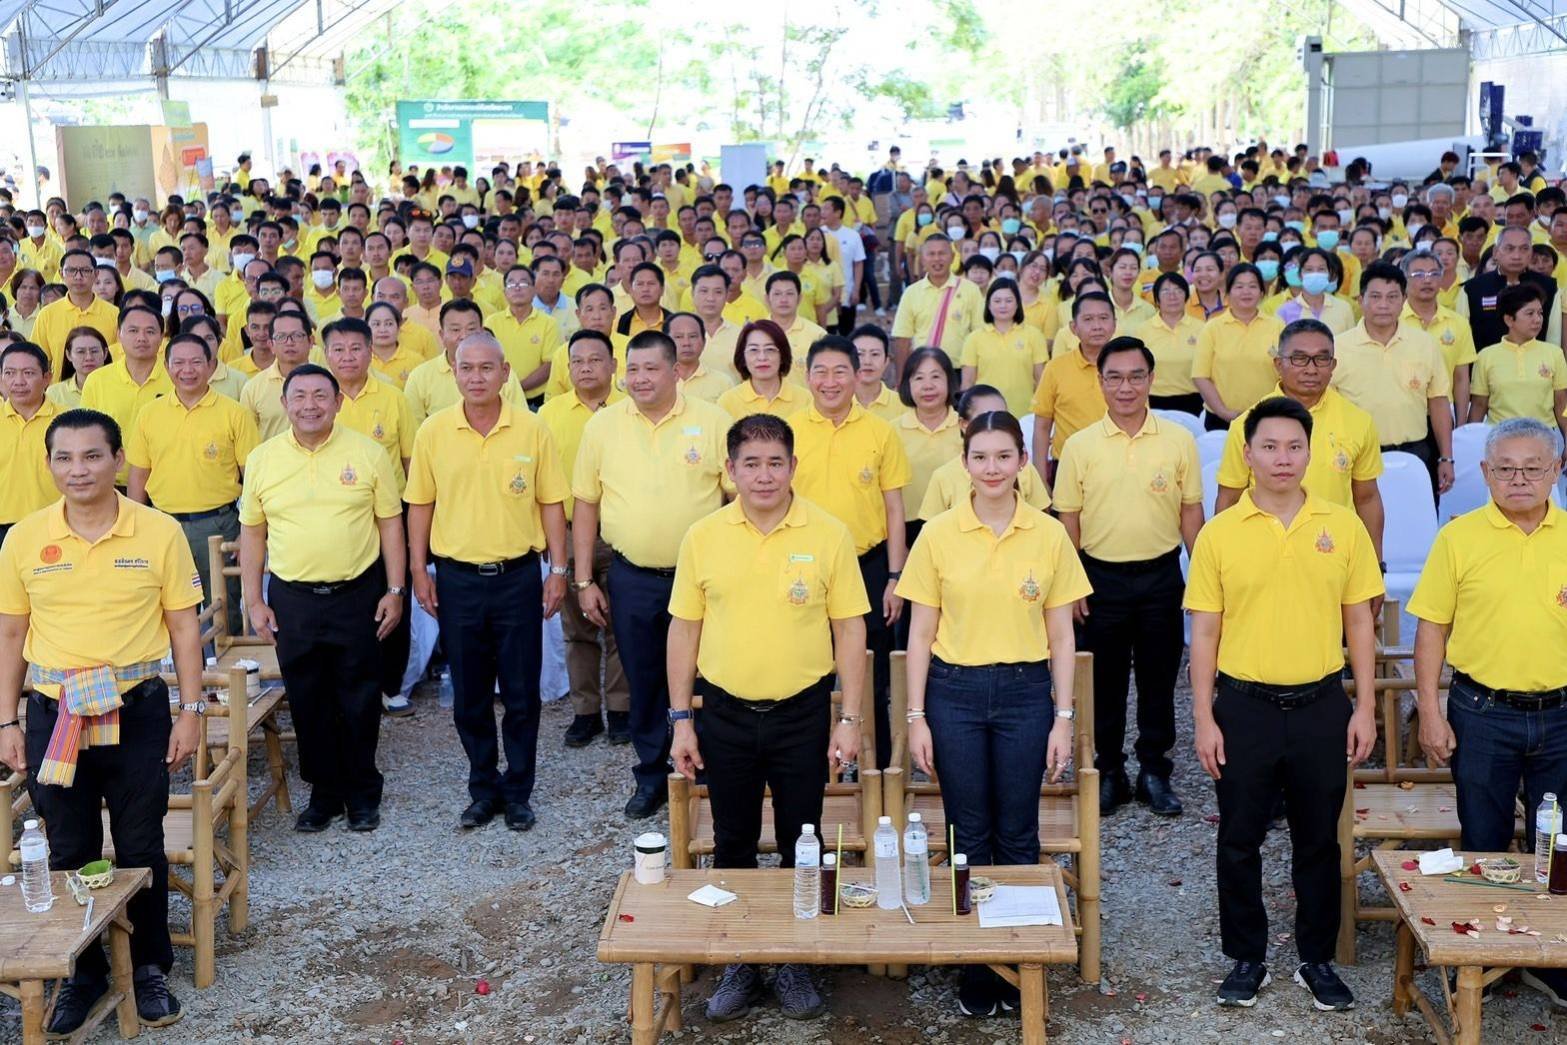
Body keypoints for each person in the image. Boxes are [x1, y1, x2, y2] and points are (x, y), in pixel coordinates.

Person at [0, 408, 204, 1032]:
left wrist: (192, 711)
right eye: (64, 457)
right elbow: (11, 632)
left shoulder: (158, 531)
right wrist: (6, 722)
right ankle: (81, 973)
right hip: (53, 714)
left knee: (141, 842)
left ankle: (148, 968)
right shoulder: (24, 538)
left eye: (92, 456)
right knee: (69, 845)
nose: (78, 469)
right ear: (49, 464)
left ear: (118, 460)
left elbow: (183, 626)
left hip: (135, 708)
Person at [668, 413, 869, 1024]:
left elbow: (850, 627)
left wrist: (850, 717)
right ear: (729, 471)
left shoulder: (830, 533)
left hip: (802, 714)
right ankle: (740, 957)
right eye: (750, 464)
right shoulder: (703, 536)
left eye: (775, 462)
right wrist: (681, 719)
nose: (763, 475)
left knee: (800, 839)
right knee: (731, 839)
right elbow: (684, 629)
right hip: (725, 713)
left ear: (792, 467)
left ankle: (794, 958)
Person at [1185, 396, 1381, 1011]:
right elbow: (1206, 633)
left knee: (1318, 837)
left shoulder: (1342, 526)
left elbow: (1360, 625)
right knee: (1239, 837)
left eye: (1294, 446)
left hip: (1322, 702)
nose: (1282, 458)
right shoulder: (1219, 534)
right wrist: (1202, 718)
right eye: (1268, 446)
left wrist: (1366, 707)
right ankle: (1247, 956)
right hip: (1243, 707)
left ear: (1311, 452)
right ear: (1246, 455)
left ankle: (1316, 958)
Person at [898, 409, 1088, 1017]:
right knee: (967, 830)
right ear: (964, 464)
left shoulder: (1048, 534)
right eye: (979, 457)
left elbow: (1062, 637)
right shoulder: (938, 533)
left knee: (1018, 829)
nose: (991, 468)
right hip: (952, 694)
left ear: (1022, 462)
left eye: (1003, 456)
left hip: (1024, 694)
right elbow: (920, 635)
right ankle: (975, 966)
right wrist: (915, 716)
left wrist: (1063, 717)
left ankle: (1017, 962)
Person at [1409, 416, 1567, 1008]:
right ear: (1485, 473)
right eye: (1505, 468)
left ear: (1557, 470)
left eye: (1533, 467)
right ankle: (1482, 957)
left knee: (1559, 845)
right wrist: (1430, 710)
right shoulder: (1460, 537)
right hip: (1482, 710)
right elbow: (1432, 629)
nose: (1518, 478)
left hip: (1561, 714)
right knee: (1484, 839)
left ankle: (1550, 960)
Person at [406, 332, 568, 831]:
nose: (476, 377)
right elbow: (420, 505)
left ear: (505, 373)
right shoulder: (433, 431)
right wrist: (418, 569)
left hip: (518, 576)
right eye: (466, 368)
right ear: (453, 372)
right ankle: (482, 786)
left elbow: (551, 503)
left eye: (486, 368)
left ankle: (518, 788)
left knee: (521, 691)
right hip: (457, 580)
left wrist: (558, 570)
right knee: (470, 693)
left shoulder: (532, 429)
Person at [239, 363, 406, 833]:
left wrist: (395, 591)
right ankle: (323, 793)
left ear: (337, 402)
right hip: (294, 597)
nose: (310, 405)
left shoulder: (369, 453)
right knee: (308, 698)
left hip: (358, 593)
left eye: (320, 396)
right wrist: (255, 600)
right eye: (300, 396)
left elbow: (390, 525)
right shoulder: (263, 459)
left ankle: (362, 792)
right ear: (285, 403)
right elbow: (252, 534)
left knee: (359, 696)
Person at [572, 330, 731, 818]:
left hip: (701, 579)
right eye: (633, 370)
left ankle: (705, 772)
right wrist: (583, 579)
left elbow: (736, 498)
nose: (639, 379)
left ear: (677, 371)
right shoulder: (603, 427)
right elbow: (585, 503)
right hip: (633, 576)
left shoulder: (713, 421)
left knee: (706, 678)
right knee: (642, 678)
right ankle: (651, 775)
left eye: (651, 369)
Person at [1054, 336, 1203, 817]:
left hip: (1161, 575)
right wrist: (1072, 584)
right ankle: (1109, 770)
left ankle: (1155, 770)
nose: (1125, 387)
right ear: (1100, 383)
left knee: (1159, 680)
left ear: (1151, 379)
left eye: (1136, 376)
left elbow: (1190, 512)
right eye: (1114, 377)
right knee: (1106, 681)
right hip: (1100, 580)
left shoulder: (1178, 440)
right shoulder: (1079, 446)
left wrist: (1201, 576)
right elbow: (1068, 522)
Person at [792, 335, 911, 767]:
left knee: (870, 674)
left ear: (857, 374)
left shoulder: (881, 432)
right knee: (810, 672)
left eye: (840, 371)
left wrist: (896, 577)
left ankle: (875, 768)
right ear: (807, 377)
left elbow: (895, 509)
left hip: (869, 567)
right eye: (820, 372)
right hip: (804, 569)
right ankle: (814, 766)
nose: (830, 381)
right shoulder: (789, 430)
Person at [1215, 319, 1385, 563]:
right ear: (1278, 364)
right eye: (1299, 358)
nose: (1311, 369)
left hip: (1334, 554)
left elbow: (1367, 498)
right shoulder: (1247, 424)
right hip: (1262, 555)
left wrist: (1375, 565)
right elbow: (1229, 498)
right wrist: (1224, 563)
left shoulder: (1358, 422)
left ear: (1333, 365)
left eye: (1321, 359)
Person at [125, 333, 259, 637]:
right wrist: (132, 525)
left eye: (197, 362)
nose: (188, 370)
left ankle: (227, 675)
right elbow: (139, 474)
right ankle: (178, 678)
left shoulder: (234, 413)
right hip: (163, 523)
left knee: (223, 604)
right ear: (167, 366)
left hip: (218, 524)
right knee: (167, 604)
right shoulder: (150, 414)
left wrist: (246, 532)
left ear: (211, 366)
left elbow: (251, 477)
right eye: (179, 362)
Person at [321, 316, 417, 716]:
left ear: (369, 350)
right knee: (345, 600)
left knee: (393, 594)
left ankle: (390, 685)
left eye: (355, 348)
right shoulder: (319, 397)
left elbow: (411, 461)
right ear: (325, 354)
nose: (347, 357)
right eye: (338, 350)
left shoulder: (394, 397)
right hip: (335, 517)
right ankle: (346, 683)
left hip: (388, 515)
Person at [538, 330, 630, 747]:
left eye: (596, 359)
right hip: (573, 535)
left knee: (619, 626)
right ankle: (585, 711)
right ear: (567, 367)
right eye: (578, 361)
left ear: (614, 365)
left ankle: (622, 710)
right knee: (577, 628)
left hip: (621, 533)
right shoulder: (549, 414)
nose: (587, 367)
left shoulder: (631, 410)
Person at [1331, 261, 1454, 501]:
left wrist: (1446, 457)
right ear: (1360, 300)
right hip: (1357, 456)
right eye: (1375, 297)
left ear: (1404, 299)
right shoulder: (1338, 347)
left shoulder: (1424, 343)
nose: (1383, 305)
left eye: (1392, 297)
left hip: (1417, 452)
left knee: (1418, 527)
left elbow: (1439, 402)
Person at [1031, 291, 1113, 485]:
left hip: (1117, 464)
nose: (1097, 326)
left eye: (1103, 318)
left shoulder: (1127, 366)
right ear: (1073, 327)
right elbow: (1042, 427)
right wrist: (1041, 481)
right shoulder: (1056, 368)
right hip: (1068, 466)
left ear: (1114, 324)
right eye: (1088, 319)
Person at [1191, 264, 1286, 430]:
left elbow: (1287, 373)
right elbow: (1200, 375)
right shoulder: (1212, 328)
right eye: (1239, 286)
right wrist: (1224, 412)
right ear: (1227, 292)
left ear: (1262, 292)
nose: (1246, 291)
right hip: (1221, 419)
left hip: (1270, 417)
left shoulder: (1277, 326)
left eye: (1252, 286)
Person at [1469, 284, 1567, 439]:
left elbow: (1561, 402)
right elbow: (1479, 405)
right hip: (1499, 438)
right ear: (1509, 319)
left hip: (1544, 438)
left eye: (1540, 313)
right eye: (1530, 313)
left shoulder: (1554, 353)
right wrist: (1470, 442)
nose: (1538, 319)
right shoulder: (1486, 356)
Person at [1400, 249, 1476, 422]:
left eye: (1434, 274)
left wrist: (1461, 422)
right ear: (1404, 279)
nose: (1427, 280)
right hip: (1403, 413)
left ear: (1441, 278)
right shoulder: (1393, 321)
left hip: (1443, 412)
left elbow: (1461, 378)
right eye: (1418, 274)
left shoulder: (1458, 323)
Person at [0, 342, 62, 548]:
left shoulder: (67, 421)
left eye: (28, 373)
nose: (18, 381)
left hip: (53, 524)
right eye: (9, 373)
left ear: (47, 378)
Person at [960, 278, 1049, 416]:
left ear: (1017, 304)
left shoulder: (1034, 335)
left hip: (1024, 413)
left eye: (1008, 301)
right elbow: (968, 382)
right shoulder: (974, 338)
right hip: (984, 414)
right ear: (988, 305)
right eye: (997, 301)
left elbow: (1041, 380)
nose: (1003, 305)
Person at [890, 235, 983, 365]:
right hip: (922, 369)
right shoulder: (911, 293)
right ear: (922, 259)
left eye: (942, 253)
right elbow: (902, 338)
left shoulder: (970, 289)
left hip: (959, 368)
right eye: (931, 254)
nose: (937, 259)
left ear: (952, 256)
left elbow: (979, 334)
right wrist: (901, 380)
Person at [1134, 271, 1205, 415]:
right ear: (1157, 298)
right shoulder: (1142, 330)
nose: (1172, 296)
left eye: (1178, 290)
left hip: (1195, 400)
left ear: (1186, 296)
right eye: (1165, 291)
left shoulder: (1202, 328)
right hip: (1154, 400)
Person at [239, 308, 316, 440]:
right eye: (281, 337)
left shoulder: (328, 382)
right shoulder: (253, 388)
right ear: (271, 345)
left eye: (297, 335)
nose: (289, 342)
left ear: (311, 341)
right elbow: (248, 439)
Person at [716, 319, 809, 419]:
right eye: (754, 350)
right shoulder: (727, 402)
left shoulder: (806, 400)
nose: (762, 357)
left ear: (782, 355)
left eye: (770, 349)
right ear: (743, 357)